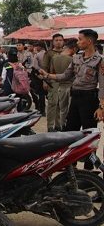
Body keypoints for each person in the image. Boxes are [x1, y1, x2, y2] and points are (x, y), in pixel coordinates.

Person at [42, 30, 104, 162]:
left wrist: (101, 107)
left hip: (89, 100)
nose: (78, 42)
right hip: (75, 98)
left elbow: (103, 86)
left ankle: (89, 167)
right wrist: (47, 75)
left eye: (80, 39)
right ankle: (71, 163)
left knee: (89, 134)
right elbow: (65, 75)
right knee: (70, 131)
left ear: (89, 41)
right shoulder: (77, 57)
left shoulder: (100, 61)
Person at [46, 39, 77, 131]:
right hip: (70, 86)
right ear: (74, 48)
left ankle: (60, 126)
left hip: (59, 86)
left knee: (60, 109)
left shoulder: (54, 58)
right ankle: (65, 127)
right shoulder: (72, 59)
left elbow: (52, 73)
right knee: (68, 110)